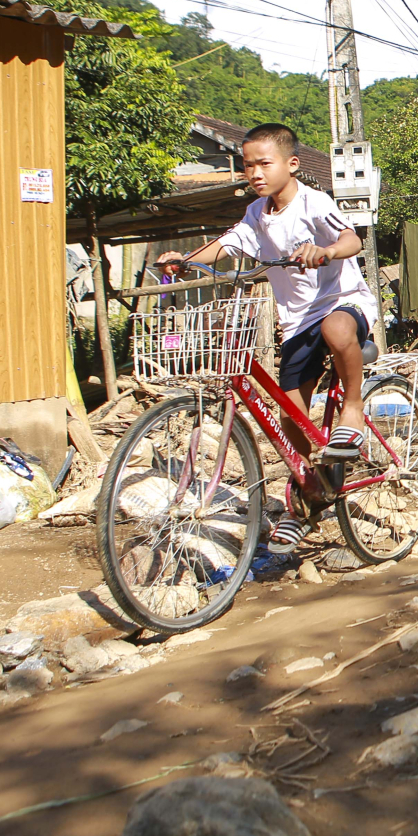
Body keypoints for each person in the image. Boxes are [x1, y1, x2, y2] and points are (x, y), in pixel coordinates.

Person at [158, 123, 376, 554]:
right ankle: (311, 492)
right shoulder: (256, 214)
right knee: (290, 417)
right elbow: (228, 245)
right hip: (295, 322)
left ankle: (352, 408)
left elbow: (350, 238)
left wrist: (327, 251)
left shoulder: (314, 203)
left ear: (291, 165)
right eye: (247, 165)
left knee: (335, 328)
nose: (255, 173)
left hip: (344, 303)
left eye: (264, 163)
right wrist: (185, 260)